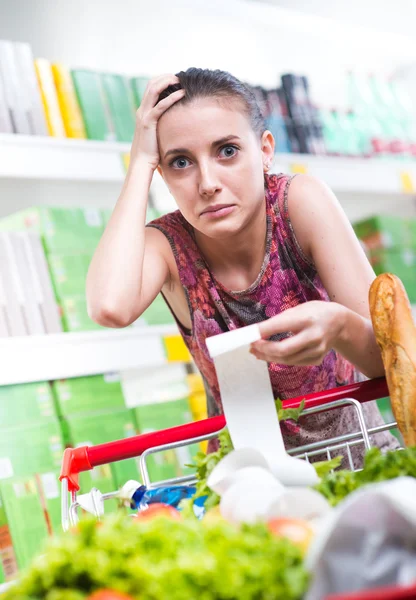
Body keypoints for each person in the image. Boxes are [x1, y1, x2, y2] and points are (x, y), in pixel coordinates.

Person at [86, 68, 398, 465]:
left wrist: (339, 325)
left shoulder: (298, 203)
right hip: (246, 489)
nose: (208, 183)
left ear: (265, 149)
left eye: (227, 151)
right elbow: (109, 306)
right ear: (162, 175)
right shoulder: (167, 244)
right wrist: (140, 163)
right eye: (180, 162)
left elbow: (392, 361)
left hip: (358, 470)